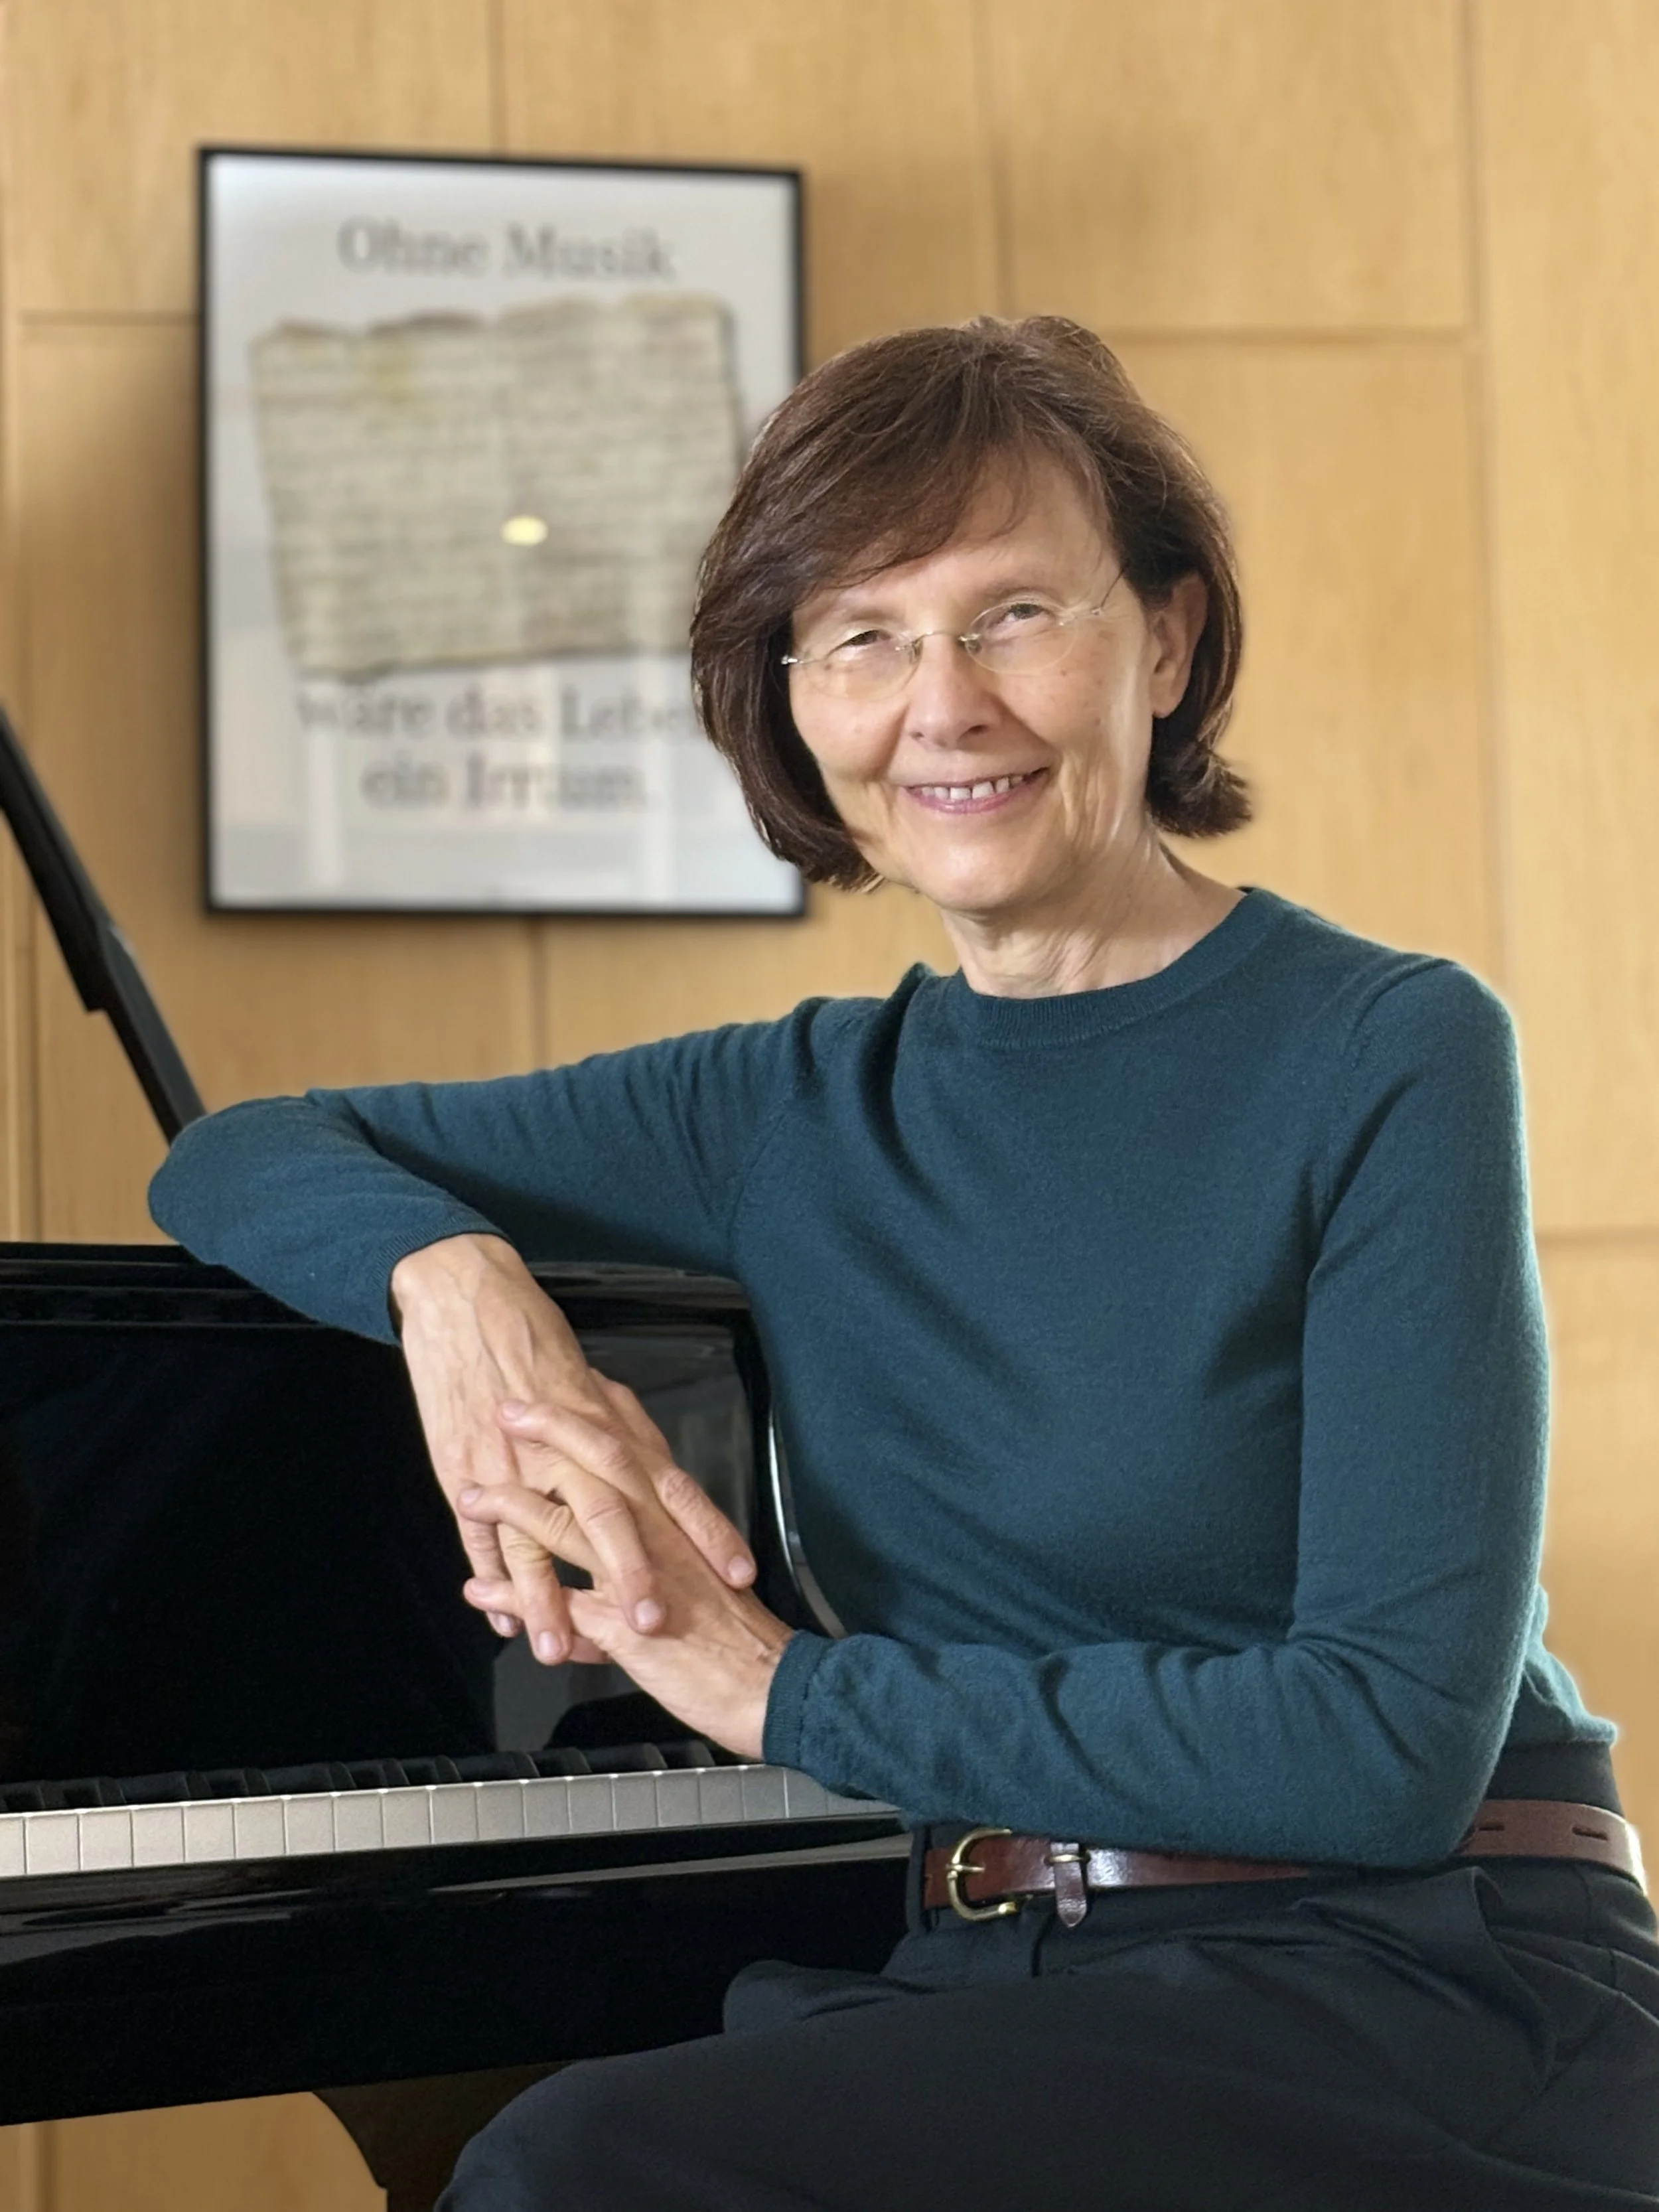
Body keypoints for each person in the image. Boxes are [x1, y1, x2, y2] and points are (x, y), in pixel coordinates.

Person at [149, 317, 1659, 2210]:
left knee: (575, 2171)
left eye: (1014, 611)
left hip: (1408, 1972)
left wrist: (773, 1687)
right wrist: (458, 1289)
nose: (940, 701)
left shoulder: (1388, 1048)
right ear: (791, 702)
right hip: (1008, 1967)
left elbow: (1372, 1754)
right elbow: (236, 1151)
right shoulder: (782, 1106)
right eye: (859, 635)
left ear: (1168, 639)